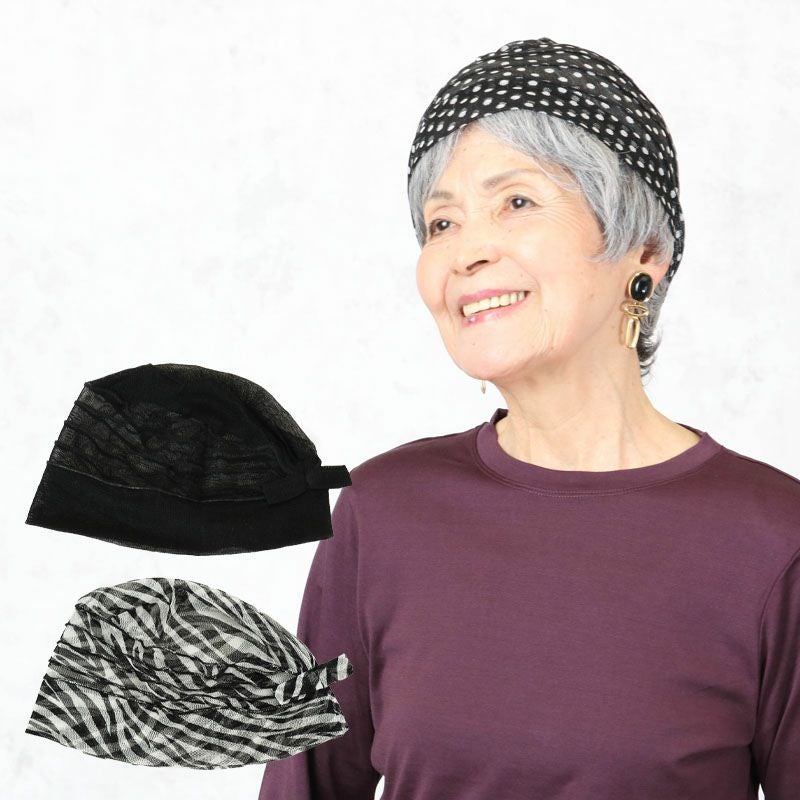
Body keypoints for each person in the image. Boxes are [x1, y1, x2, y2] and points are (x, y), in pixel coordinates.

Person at [258, 38, 800, 799]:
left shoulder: (773, 540)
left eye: (516, 203)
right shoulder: (379, 516)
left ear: (643, 252)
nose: (465, 252)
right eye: (441, 223)